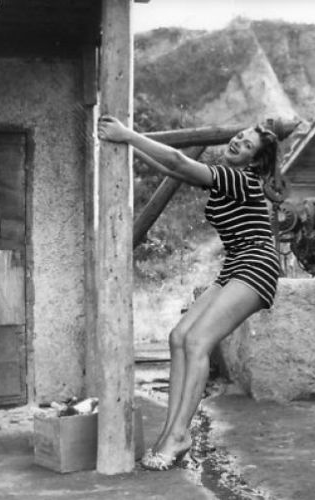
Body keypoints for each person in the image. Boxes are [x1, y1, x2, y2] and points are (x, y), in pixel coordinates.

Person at [98, 116, 280, 471]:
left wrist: (128, 134)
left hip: (256, 264)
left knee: (198, 342)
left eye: (247, 145)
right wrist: (129, 144)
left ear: (255, 161)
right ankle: (170, 435)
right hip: (235, 265)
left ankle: (180, 434)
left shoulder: (241, 179)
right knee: (178, 336)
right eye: (239, 136)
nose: (237, 142)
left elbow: (178, 161)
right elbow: (175, 170)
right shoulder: (224, 177)